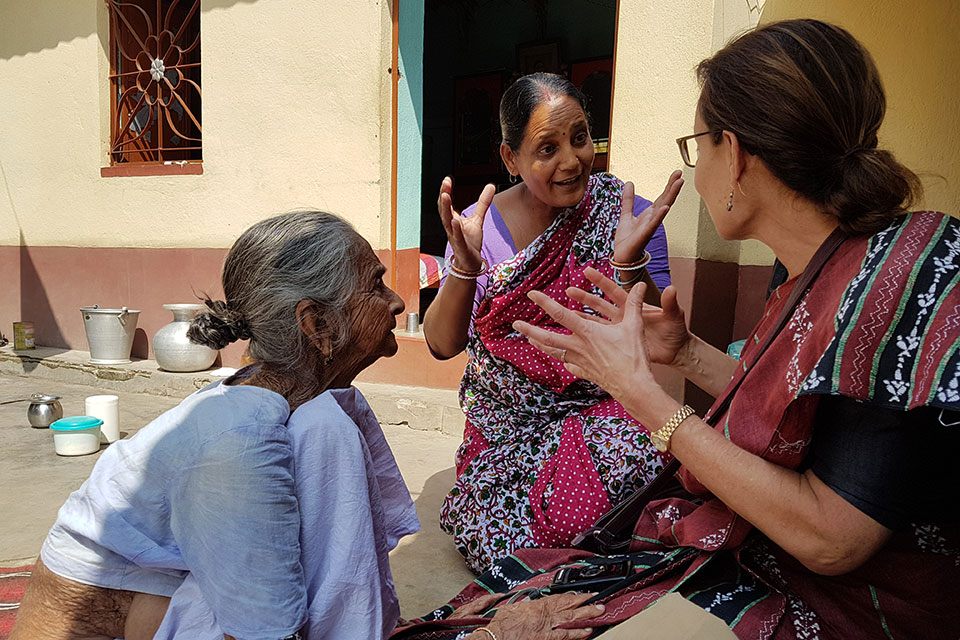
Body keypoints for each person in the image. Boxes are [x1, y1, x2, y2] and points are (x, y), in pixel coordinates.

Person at [513, 19, 960, 638]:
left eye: (699, 148)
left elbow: (833, 539)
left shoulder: (896, 284)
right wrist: (686, 354)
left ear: (739, 154)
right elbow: (807, 410)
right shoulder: (819, 264)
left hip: (857, 599)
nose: (697, 174)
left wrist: (642, 397)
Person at [11, 211, 606, 640]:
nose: (398, 304)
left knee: (331, 426)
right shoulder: (240, 443)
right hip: (116, 620)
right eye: (375, 286)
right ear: (317, 324)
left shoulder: (308, 411)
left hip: (168, 600)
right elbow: (265, 634)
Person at [423, 72, 684, 573]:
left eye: (580, 137)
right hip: (505, 426)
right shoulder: (482, 226)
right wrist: (464, 266)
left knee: (647, 460)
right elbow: (439, 343)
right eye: (547, 148)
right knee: (504, 528)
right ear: (510, 159)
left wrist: (629, 265)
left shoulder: (627, 216)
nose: (571, 160)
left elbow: (652, 349)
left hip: (605, 415)